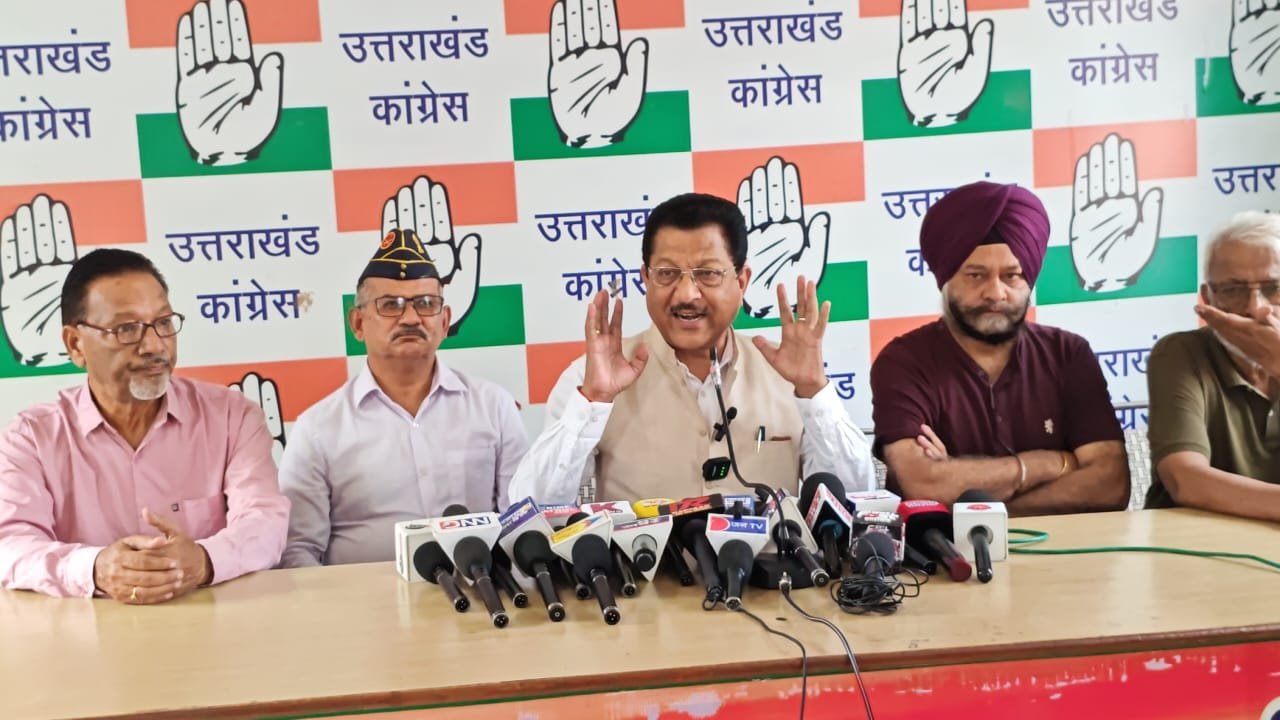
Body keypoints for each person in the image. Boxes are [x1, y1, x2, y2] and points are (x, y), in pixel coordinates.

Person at [508, 192, 875, 505]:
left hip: (771, 567)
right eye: (667, 274)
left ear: (741, 280)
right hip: (645, 569)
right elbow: (529, 509)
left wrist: (814, 392)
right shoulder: (592, 377)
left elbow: (857, 499)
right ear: (645, 278)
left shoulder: (787, 374)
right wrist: (593, 401)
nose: (686, 294)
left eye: (708, 274)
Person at [0, 249, 289, 601]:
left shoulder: (232, 417)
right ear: (75, 345)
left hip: (213, 622)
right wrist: (95, 569)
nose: (154, 345)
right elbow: (10, 546)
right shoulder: (32, 437)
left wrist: (204, 560)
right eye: (127, 329)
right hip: (86, 630)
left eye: (164, 323)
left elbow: (265, 523)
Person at [870, 181, 1129, 514]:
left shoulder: (1067, 354)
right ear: (945, 279)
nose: (995, 293)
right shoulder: (904, 362)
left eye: (1012, 275)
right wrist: (1047, 464)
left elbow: (1110, 484)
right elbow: (924, 484)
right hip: (944, 547)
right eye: (976, 275)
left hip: (1068, 544)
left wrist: (980, 503)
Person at [279, 229, 527, 567]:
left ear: (445, 321)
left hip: (480, 590)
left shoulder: (494, 407)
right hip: (364, 598)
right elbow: (297, 550)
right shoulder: (318, 429)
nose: (411, 318)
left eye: (426, 304)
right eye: (390, 305)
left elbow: (520, 523)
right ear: (357, 323)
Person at [1146, 211, 1280, 520]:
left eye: (1274, 289)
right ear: (1207, 298)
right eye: (1233, 290)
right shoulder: (1181, 353)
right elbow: (1185, 479)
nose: (1255, 308)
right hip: (1194, 540)